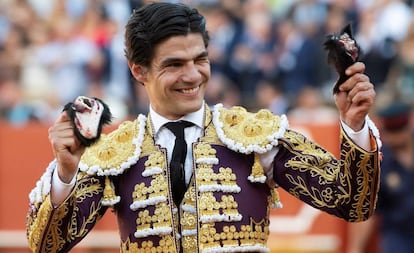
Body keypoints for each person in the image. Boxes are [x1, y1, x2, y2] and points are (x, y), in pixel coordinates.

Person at [26, 2, 381, 253]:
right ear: (138, 71)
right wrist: (66, 174)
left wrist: (353, 127)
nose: (193, 75)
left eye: (200, 59)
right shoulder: (116, 152)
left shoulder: (253, 135)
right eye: (175, 64)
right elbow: (47, 244)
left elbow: (352, 202)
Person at [346, 102, 414, 253]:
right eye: (392, 132)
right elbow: (368, 211)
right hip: (398, 235)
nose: (397, 137)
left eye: (400, 131)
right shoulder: (380, 164)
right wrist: (355, 248)